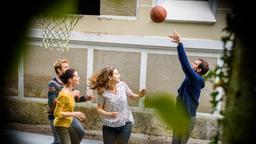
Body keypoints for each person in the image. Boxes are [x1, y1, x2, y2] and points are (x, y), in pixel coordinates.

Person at [168, 32, 209, 144]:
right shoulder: (191, 78)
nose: (192, 64)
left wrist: (180, 44)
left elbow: (185, 65)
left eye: (195, 64)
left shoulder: (196, 79)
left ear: (199, 70)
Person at [88, 66, 146, 144]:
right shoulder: (103, 92)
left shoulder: (122, 85)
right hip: (109, 126)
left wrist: (140, 95)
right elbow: (99, 108)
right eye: (117, 74)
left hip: (125, 123)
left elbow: (131, 96)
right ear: (110, 77)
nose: (119, 75)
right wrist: (107, 113)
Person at [48, 59, 95, 144]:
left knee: (80, 132)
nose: (68, 68)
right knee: (58, 141)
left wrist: (86, 98)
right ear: (59, 69)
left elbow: (73, 100)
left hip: (67, 116)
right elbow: (52, 103)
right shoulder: (53, 84)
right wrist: (71, 95)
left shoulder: (68, 84)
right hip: (56, 116)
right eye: (65, 67)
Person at [54, 68, 86, 144]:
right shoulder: (64, 94)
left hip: (68, 123)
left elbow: (67, 107)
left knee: (78, 139)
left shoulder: (70, 91)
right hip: (61, 125)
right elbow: (57, 113)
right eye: (77, 76)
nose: (79, 78)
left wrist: (78, 115)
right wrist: (75, 114)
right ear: (70, 80)